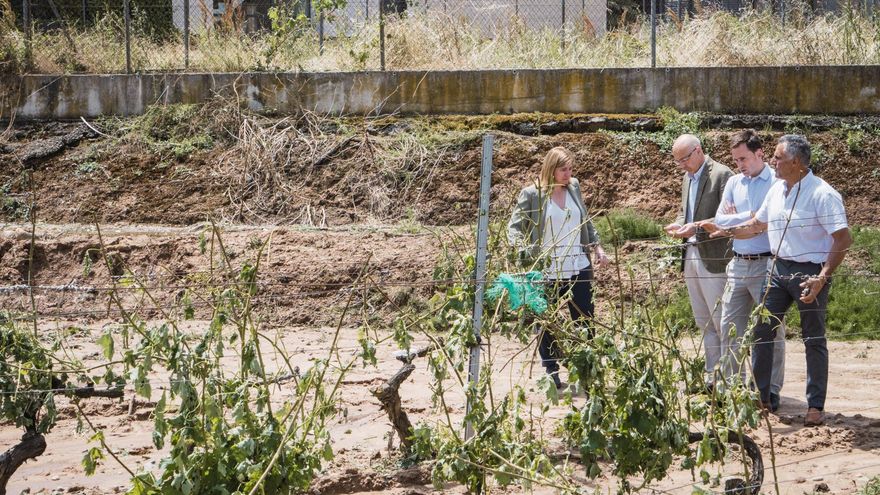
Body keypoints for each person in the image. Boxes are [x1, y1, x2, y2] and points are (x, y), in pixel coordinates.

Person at [702, 135, 851, 426]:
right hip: (778, 269)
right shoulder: (777, 190)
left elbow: (843, 238)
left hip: (811, 272)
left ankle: (815, 406)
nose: (773, 161)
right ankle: (763, 399)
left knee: (813, 337)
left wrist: (822, 278)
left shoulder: (823, 194)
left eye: (778, 157)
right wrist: (724, 230)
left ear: (796, 162)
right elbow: (758, 225)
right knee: (762, 331)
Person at [507, 146, 609, 389]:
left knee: (585, 319)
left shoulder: (574, 187)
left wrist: (597, 247)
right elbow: (515, 227)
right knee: (546, 321)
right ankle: (551, 371)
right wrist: (521, 250)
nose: (568, 174)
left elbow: (586, 220)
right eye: (563, 169)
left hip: (578, 265)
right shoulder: (532, 194)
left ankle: (586, 370)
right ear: (551, 169)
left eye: (570, 169)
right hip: (547, 270)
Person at [707, 130, 785, 409]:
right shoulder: (734, 182)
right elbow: (719, 219)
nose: (739, 164)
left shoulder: (776, 183)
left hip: (767, 262)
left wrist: (738, 220)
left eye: (743, 158)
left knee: (770, 329)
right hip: (738, 263)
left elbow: (763, 221)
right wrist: (748, 218)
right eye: (735, 159)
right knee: (729, 326)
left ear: (760, 154)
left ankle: (771, 390)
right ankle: (733, 388)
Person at [663, 134, 733, 391]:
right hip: (691, 253)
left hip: (713, 255)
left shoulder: (722, 175)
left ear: (698, 151)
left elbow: (727, 216)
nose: (681, 165)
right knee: (703, 320)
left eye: (684, 159)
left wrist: (693, 227)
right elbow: (687, 211)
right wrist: (680, 224)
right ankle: (711, 378)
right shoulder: (687, 178)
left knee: (721, 320)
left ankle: (729, 379)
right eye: (677, 161)